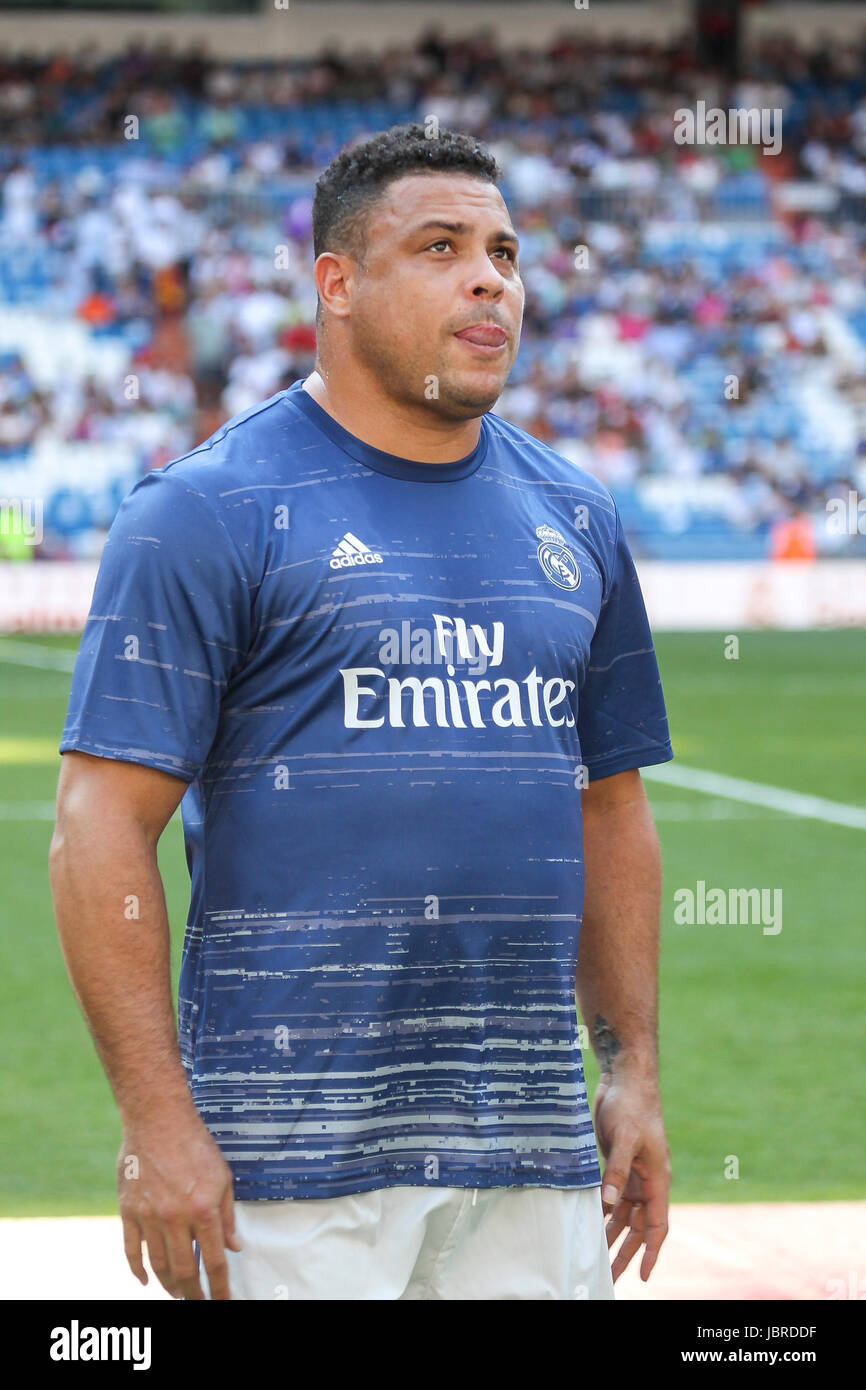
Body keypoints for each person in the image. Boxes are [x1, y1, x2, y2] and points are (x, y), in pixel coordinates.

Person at [50, 124, 673, 1302]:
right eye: (440, 247)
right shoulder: (206, 511)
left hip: (532, 1150)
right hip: (285, 1159)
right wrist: (155, 1118)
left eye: (503, 249)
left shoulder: (578, 517)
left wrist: (631, 1069)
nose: (489, 277)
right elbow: (96, 828)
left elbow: (610, 807)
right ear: (335, 282)